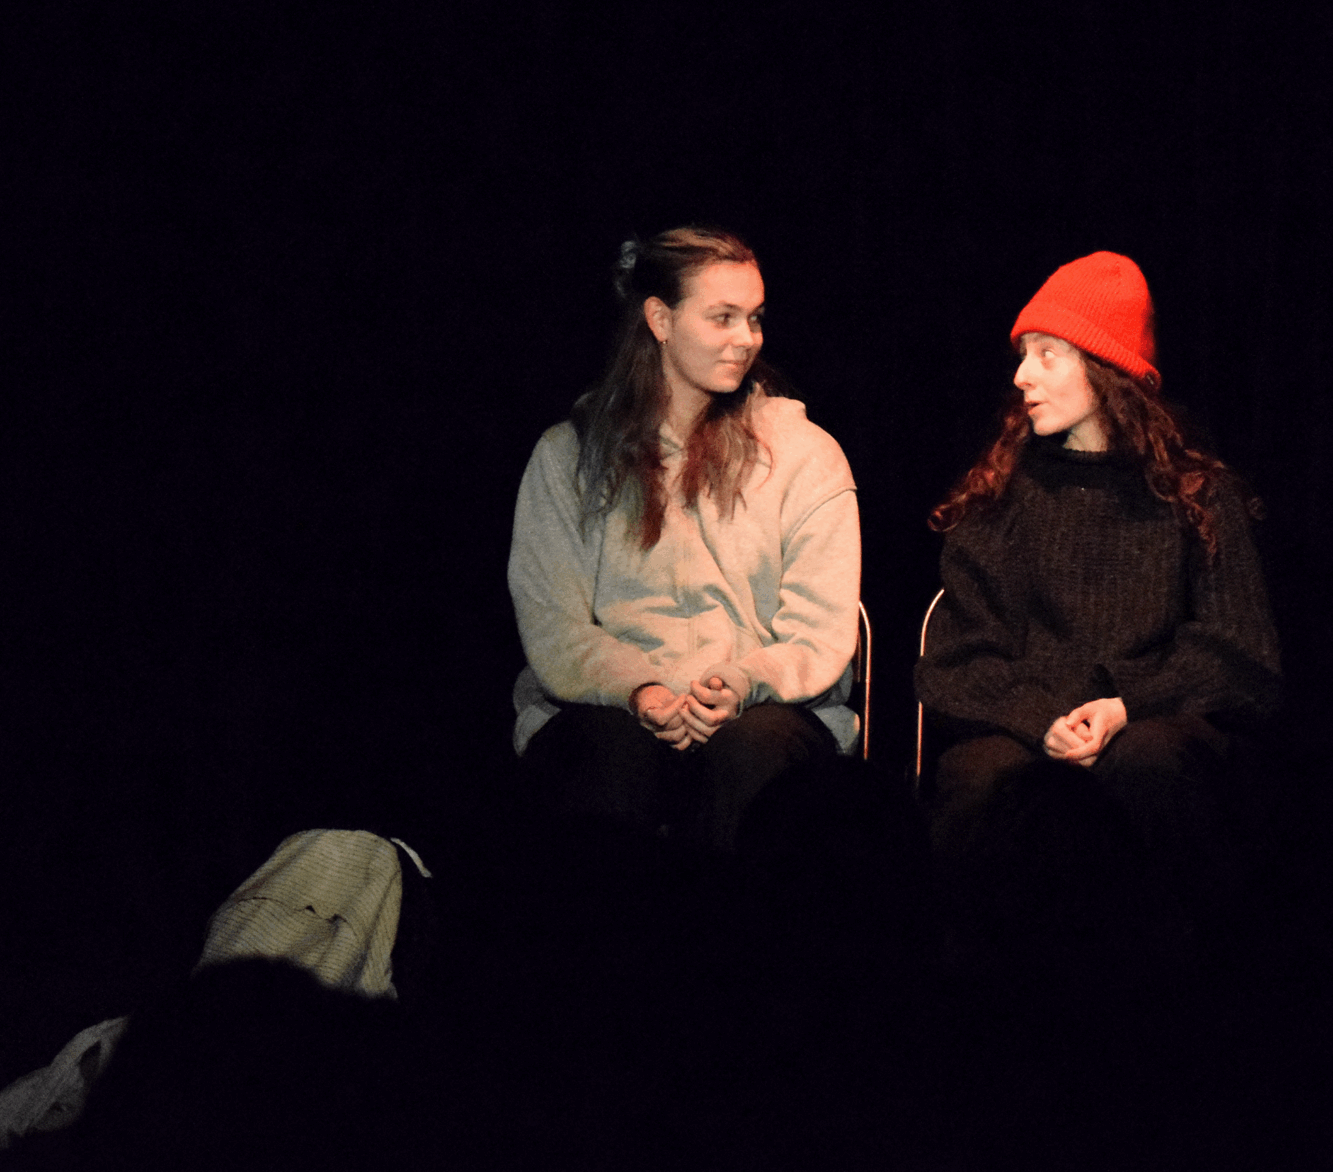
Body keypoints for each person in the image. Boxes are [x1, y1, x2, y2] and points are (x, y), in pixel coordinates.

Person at [914, 250, 1282, 891]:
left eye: (1047, 355)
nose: (1022, 375)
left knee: (1153, 762)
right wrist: (1043, 720)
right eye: (1023, 355)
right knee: (983, 778)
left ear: (1105, 369)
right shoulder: (1002, 496)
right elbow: (956, 662)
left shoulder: (1196, 498)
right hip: (1029, 727)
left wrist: (1125, 706)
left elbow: (1240, 656)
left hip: (1149, 728)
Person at [507, 225, 861, 851]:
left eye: (754, 317)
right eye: (723, 317)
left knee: (754, 756)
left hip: (763, 710)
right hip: (610, 706)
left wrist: (740, 682)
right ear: (660, 320)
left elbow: (820, 628)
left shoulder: (806, 454)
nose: (747, 338)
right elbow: (553, 621)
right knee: (606, 761)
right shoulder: (570, 455)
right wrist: (639, 688)